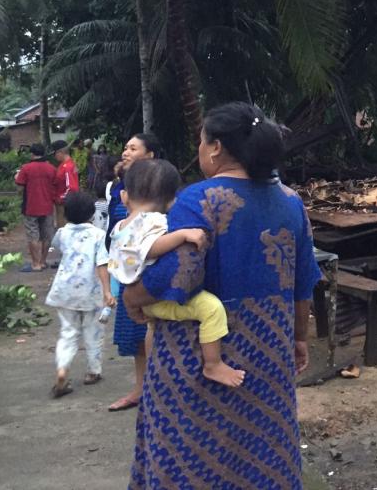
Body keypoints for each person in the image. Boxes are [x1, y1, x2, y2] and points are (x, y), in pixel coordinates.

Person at [124, 102, 321, 489]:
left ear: (215, 147)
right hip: (268, 353)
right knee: (263, 450)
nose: (199, 149)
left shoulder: (199, 199)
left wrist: (133, 298)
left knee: (191, 455)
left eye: (201, 141)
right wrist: (298, 337)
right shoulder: (290, 201)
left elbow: (179, 272)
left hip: (196, 358)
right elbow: (304, 282)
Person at [109, 159, 244, 387]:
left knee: (153, 329)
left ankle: (154, 369)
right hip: (155, 296)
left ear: (124, 196)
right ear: (172, 201)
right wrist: (182, 235)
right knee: (211, 309)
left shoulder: (121, 226)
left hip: (139, 294)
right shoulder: (154, 221)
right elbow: (148, 248)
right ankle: (213, 364)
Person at [106, 133, 160, 413]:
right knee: (134, 334)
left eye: (133, 148)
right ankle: (140, 388)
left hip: (147, 267)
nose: (125, 152)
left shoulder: (158, 182)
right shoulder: (120, 184)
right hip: (124, 267)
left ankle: (155, 387)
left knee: (153, 328)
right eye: (125, 147)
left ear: (150, 155)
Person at [46, 191, 115, 398]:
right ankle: (93, 371)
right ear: (92, 214)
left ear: (66, 214)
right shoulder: (98, 235)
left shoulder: (62, 233)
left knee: (68, 333)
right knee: (93, 332)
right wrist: (107, 291)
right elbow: (101, 264)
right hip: (91, 291)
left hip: (65, 290)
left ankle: (62, 369)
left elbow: (57, 247)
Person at [15, 143, 59, 272]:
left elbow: (20, 184)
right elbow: (55, 184)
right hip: (47, 206)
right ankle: (43, 261)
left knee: (32, 235)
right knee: (46, 236)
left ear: (32, 154)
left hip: (31, 206)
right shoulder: (51, 168)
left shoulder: (26, 168)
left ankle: (35, 264)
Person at [52, 140, 79, 228]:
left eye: (55, 153)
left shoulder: (67, 167)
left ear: (60, 152)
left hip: (64, 203)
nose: (54, 156)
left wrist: (60, 199)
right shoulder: (66, 165)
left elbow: (71, 187)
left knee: (63, 226)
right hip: (63, 201)